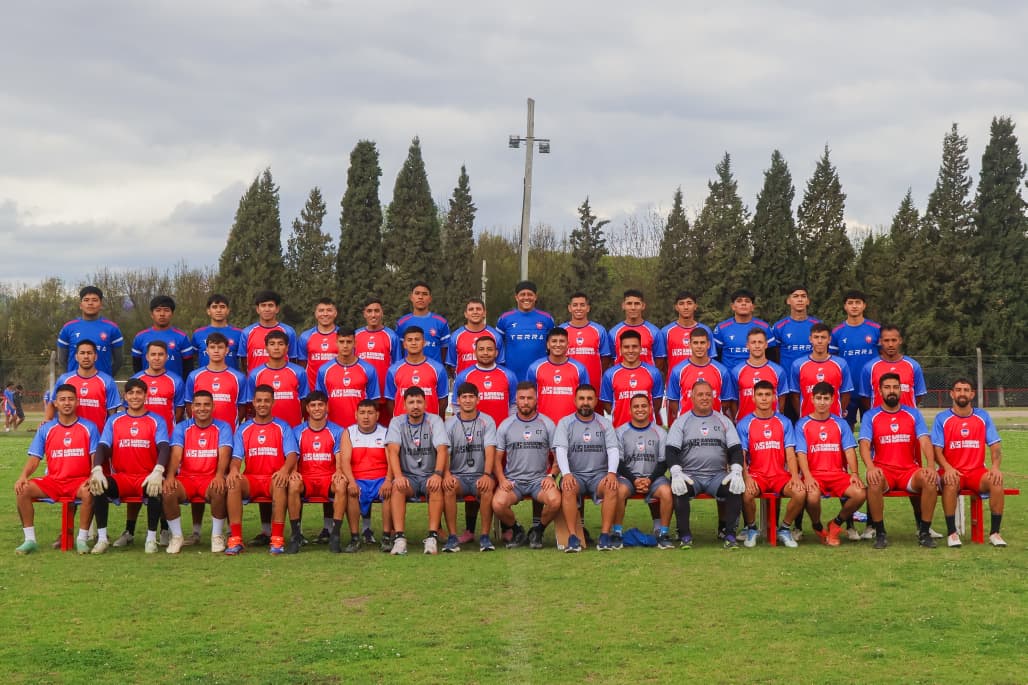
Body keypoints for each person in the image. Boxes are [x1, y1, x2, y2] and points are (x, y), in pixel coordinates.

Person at [13, 384, 98, 555]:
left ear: (77, 402)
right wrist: (23, 476)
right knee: (23, 490)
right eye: (62, 399)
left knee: (90, 490)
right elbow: (35, 458)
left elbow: (94, 458)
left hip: (79, 482)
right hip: (54, 481)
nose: (67, 403)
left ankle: (82, 539)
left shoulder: (89, 427)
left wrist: (92, 476)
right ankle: (29, 540)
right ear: (56, 403)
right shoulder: (46, 429)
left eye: (71, 399)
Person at [89, 378, 171, 554]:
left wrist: (158, 470)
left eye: (139, 393)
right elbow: (102, 445)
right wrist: (97, 469)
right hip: (122, 478)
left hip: (146, 476)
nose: (135, 396)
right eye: (131, 393)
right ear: (125, 396)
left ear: (146, 396)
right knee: (98, 487)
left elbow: (164, 446)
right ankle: (102, 539)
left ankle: (151, 539)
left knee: (157, 488)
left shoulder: (157, 420)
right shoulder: (114, 420)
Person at [858, 373, 939, 549]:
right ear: (880, 391)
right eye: (887, 387)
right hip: (884, 470)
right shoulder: (871, 416)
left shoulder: (913, 414)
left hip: (908, 470)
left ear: (901, 390)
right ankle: (880, 533)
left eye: (895, 387)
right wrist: (870, 467)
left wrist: (931, 466)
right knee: (874, 481)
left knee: (930, 480)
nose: (892, 391)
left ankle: (924, 532)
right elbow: (864, 444)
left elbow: (925, 440)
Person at [665, 380, 746, 548]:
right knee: (679, 487)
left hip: (717, 476)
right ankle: (685, 535)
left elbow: (736, 449)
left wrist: (737, 470)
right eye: (700, 394)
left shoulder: (724, 421)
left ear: (713, 397)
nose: (704, 398)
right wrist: (676, 472)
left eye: (708, 394)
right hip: (690, 475)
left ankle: (730, 535)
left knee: (735, 486)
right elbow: (671, 451)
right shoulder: (681, 422)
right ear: (692, 397)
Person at [931, 378, 1007, 547]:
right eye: (958, 390)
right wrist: (947, 468)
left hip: (976, 471)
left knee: (996, 480)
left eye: (966, 390)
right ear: (952, 394)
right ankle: (952, 533)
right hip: (951, 470)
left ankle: (995, 533)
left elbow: (995, 446)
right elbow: (936, 450)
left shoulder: (982, 416)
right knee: (951, 481)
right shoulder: (942, 418)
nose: (962, 393)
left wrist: (995, 467)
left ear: (972, 394)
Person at [224, 385, 299, 555]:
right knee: (233, 482)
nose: (262, 404)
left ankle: (277, 539)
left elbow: (291, 455)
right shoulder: (244, 428)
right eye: (259, 401)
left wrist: (284, 470)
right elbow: (236, 458)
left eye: (266, 401)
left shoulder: (283, 427)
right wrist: (234, 469)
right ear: (253, 402)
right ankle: (235, 539)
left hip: (273, 478)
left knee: (280, 482)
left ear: (273, 402)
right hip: (252, 478)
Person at [554, 384, 626, 552]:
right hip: (575, 475)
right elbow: (561, 450)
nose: (585, 402)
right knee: (567, 486)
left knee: (611, 486)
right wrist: (566, 474)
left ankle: (605, 536)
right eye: (581, 398)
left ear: (595, 401)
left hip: (598, 476)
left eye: (589, 399)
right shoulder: (565, 423)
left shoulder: (605, 423)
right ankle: (573, 537)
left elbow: (613, 450)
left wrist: (611, 473)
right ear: (575, 401)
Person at [794, 382, 867, 546]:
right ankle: (818, 526)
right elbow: (801, 453)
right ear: (812, 399)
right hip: (814, 475)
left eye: (826, 398)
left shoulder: (840, 423)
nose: (822, 402)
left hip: (837, 474)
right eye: (818, 398)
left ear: (833, 400)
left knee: (860, 493)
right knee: (812, 497)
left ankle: (836, 523)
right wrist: (807, 476)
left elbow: (849, 451)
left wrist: (855, 474)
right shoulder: (802, 424)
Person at [735, 381, 806, 548]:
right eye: (760, 395)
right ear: (753, 398)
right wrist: (747, 477)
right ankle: (752, 528)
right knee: (746, 494)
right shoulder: (745, 423)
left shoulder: (784, 422)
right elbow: (741, 455)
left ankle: (784, 529)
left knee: (800, 492)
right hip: (757, 475)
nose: (764, 398)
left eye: (768, 395)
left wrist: (795, 476)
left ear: (774, 397)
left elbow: (790, 453)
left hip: (779, 475)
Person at [161, 390, 233, 553]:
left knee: (219, 488)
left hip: (210, 478)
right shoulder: (182, 427)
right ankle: (177, 537)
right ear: (192, 407)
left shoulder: (223, 427)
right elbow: (176, 454)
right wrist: (170, 476)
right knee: (168, 490)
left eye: (207, 404)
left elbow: (224, 454)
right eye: (198, 405)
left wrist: (219, 475)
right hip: (187, 478)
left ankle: (217, 536)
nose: (202, 408)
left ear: (213, 407)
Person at [491, 382, 560, 549]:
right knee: (498, 504)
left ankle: (538, 530)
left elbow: (558, 456)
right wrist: (502, 479)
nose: (526, 402)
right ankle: (517, 530)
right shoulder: (506, 425)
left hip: (539, 481)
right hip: (514, 481)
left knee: (555, 500)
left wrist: (551, 476)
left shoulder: (547, 424)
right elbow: (496, 458)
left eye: (530, 398)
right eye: (522, 398)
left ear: (536, 400)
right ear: (516, 400)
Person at [384, 387, 450, 555]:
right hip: (409, 477)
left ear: (425, 404)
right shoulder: (396, 422)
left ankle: (432, 537)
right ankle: (399, 538)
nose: (415, 406)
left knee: (435, 486)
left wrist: (438, 474)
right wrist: (398, 476)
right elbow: (392, 451)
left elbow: (442, 449)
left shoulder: (435, 421)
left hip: (429, 475)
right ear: (404, 405)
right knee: (397, 487)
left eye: (419, 402)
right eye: (411, 402)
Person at [285, 391, 346, 554]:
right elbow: (294, 455)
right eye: (313, 405)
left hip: (328, 477)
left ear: (327, 407)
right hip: (306, 478)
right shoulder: (297, 431)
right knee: (293, 484)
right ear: (307, 408)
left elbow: (339, 456)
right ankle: (296, 535)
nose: (317, 408)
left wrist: (339, 470)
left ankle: (335, 535)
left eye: (320, 405)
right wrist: (294, 472)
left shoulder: (338, 431)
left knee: (341, 484)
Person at [443, 383, 499, 552]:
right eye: (464, 397)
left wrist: (487, 475)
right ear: (458, 400)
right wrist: (446, 474)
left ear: (478, 399)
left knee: (487, 488)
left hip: (479, 475)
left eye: (471, 397)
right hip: (458, 476)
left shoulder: (487, 421)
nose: (468, 400)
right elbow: (444, 452)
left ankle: (485, 537)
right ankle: (452, 537)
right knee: (448, 487)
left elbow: (490, 450)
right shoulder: (450, 424)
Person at [615, 394, 674, 549]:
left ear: (650, 409)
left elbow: (663, 462)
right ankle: (617, 533)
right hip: (628, 478)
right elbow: (618, 463)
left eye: (643, 406)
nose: (640, 409)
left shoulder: (660, 432)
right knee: (618, 491)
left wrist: (649, 479)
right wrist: (634, 480)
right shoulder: (620, 432)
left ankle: (663, 533)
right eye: (636, 406)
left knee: (667, 492)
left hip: (654, 478)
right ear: (630, 410)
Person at [337, 399, 393, 552]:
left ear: (377, 415)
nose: (366, 417)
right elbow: (345, 461)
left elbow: (392, 461)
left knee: (390, 491)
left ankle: (386, 537)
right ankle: (355, 538)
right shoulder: (349, 433)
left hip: (380, 479)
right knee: (351, 492)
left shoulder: (385, 432)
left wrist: (388, 480)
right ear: (356, 415)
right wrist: (351, 482)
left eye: (370, 413)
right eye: (362, 413)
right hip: (358, 479)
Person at [830, 289, 881, 429]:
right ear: (845, 306)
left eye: (858, 302)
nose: (854, 306)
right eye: (850, 303)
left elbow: (883, 358)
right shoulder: (837, 332)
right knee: (845, 429)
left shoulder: (876, 329)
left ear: (864, 306)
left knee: (873, 429)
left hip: (871, 390)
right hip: (847, 391)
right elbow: (832, 363)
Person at [315, 327, 381, 428]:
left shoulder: (368, 369)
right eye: (341, 342)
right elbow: (320, 401)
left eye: (349, 342)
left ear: (355, 343)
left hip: (360, 429)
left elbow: (374, 401)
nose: (345, 346)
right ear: (336, 343)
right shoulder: (324, 370)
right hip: (333, 428)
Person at [242, 330, 309, 428]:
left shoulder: (299, 372)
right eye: (272, 344)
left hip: (293, 428)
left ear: (287, 348)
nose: (276, 348)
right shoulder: (255, 374)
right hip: (266, 429)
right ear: (266, 348)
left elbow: (304, 400)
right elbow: (251, 404)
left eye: (280, 344)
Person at [665, 328, 734, 420]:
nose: (699, 346)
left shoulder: (722, 371)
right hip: (687, 423)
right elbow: (673, 401)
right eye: (695, 343)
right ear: (689, 345)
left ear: (708, 344)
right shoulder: (678, 371)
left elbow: (726, 402)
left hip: (714, 422)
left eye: (702, 343)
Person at [53, 339, 121, 431]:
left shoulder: (107, 381)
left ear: (95, 357)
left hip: (99, 436)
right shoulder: (64, 379)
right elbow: (53, 403)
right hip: (70, 436)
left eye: (89, 353)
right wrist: (47, 419)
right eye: (82, 353)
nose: (86, 356)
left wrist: (109, 436)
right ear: (76, 357)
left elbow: (112, 414)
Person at [600, 330, 664, 428]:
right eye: (626, 347)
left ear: (640, 348)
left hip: (648, 430)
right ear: (620, 349)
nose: (630, 350)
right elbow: (608, 406)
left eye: (634, 346)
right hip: (620, 430)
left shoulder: (653, 372)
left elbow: (657, 404)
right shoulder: (610, 375)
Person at [788, 322, 853, 418]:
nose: (819, 341)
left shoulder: (841, 364)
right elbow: (795, 395)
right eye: (816, 337)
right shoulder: (798, 365)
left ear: (829, 339)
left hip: (833, 420)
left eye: (823, 337)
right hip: (807, 420)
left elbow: (846, 393)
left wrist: (838, 414)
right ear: (810, 339)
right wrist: (802, 416)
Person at [527, 327, 590, 424]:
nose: (558, 344)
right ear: (548, 345)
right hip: (543, 424)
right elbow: (529, 397)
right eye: (554, 341)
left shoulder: (579, 369)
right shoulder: (535, 368)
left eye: (562, 341)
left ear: (568, 344)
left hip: (572, 424)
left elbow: (585, 398)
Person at [57, 285, 124, 376]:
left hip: (101, 382)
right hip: (74, 383)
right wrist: (70, 377)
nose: (90, 303)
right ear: (80, 305)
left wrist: (106, 378)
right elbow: (62, 360)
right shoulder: (68, 328)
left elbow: (119, 361)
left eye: (94, 300)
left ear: (101, 304)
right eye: (86, 300)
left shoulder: (112, 328)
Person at [451, 336, 517, 429]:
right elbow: (456, 405)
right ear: (475, 352)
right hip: (473, 432)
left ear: (496, 353)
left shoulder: (509, 375)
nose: (485, 353)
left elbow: (514, 404)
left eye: (489, 349)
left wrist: (507, 426)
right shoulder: (463, 376)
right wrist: (466, 425)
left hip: (501, 431)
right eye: (481, 349)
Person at [184, 332, 247, 427]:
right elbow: (189, 404)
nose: (216, 351)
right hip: (201, 431)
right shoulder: (194, 376)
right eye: (212, 347)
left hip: (229, 432)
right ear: (207, 350)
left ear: (227, 350)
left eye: (220, 347)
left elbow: (242, 407)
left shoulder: (239, 378)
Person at [383, 326, 448, 418]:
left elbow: (443, 400)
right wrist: (397, 421)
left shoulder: (438, 369)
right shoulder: (393, 370)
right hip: (402, 425)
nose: (413, 343)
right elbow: (390, 401)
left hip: (430, 424)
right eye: (409, 340)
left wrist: (436, 422)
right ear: (404, 344)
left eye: (417, 339)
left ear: (424, 343)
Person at [496, 280, 554, 382]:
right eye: (522, 294)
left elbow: (554, 346)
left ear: (535, 297)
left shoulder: (547, 318)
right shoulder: (505, 319)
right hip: (512, 376)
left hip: (540, 375)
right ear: (516, 297)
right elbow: (497, 346)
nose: (526, 297)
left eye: (530, 294)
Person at [858, 325, 927, 411]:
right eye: (886, 340)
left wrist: (905, 411)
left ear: (900, 340)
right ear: (880, 341)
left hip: (906, 417)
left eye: (894, 340)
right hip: (880, 417)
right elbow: (865, 398)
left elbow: (918, 395)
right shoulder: (869, 367)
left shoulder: (913, 366)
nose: (890, 344)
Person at [771, 286, 821, 405]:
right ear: (788, 301)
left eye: (803, 296)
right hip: (787, 383)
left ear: (808, 301)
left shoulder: (817, 325)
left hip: (812, 382)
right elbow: (775, 355)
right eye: (795, 296)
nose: (800, 299)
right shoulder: (779, 327)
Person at [725, 327, 788, 421]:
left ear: (766, 345)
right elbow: (733, 400)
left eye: (760, 342)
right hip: (745, 424)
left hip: (771, 423)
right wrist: (737, 420)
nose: (757, 346)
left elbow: (781, 399)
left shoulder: (778, 370)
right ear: (747, 345)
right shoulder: (737, 371)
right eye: (753, 342)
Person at [131, 295, 196, 378]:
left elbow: (188, 367)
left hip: (174, 385)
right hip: (147, 385)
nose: (162, 314)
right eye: (158, 310)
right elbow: (136, 366)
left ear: (172, 314)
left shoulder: (182, 337)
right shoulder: (140, 337)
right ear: (151, 314)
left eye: (166, 310)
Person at [237, 290, 300, 374]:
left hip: (283, 379)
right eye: (263, 305)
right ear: (257, 309)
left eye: (270, 305)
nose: (267, 309)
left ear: (277, 309)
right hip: (256, 381)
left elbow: (293, 359)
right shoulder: (247, 332)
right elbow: (244, 361)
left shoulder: (288, 331)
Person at [355, 297, 403, 406]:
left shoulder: (392, 336)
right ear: (364, 314)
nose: (373, 315)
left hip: (384, 394)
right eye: (369, 311)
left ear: (382, 313)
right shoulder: (356, 335)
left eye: (376, 311)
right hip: (361, 393)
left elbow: (398, 367)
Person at [608, 289, 667, 376]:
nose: (633, 307)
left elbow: (660, 360)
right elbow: (612, 359)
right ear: (623, 306)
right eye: (629, 304)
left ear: (643, 306)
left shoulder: (654, 332)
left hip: (646, 380)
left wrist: (649, 376)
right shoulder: (613, 333)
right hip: (622, 379)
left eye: (637, 304)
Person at [714, 289, 775, 371]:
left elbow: (772, 355)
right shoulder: (721, 328)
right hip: (730, 376)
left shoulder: (764, 327)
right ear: (733, 306)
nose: (743, 303)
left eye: (747, 301)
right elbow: (716, 357)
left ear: (753, 307)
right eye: (739, 301)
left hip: (756, 375)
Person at [131, 340, 185, 433]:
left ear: (166, 357)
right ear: (147, 357)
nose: (157, 358)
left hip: (167, 435)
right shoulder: (135, 379)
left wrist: (168, 430)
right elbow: (129, 408)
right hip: (141, 434)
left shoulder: (176, 381)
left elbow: (179, 411)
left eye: (160, 354)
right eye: (153, 354)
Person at [563, 291, 613, 387]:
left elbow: (605, 358)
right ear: (569, 308)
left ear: (588, 308)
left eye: (582, 305)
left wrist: (599, 376)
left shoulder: (599, 330)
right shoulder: (562, 330)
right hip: (568, 382)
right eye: (575, 305)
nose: (578, 308)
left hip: (593, 382)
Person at [661, 290, 716, 372]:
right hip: (676, 378)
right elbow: (662, 360)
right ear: (676, 307)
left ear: (695, 306)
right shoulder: (666, 331)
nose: (686, 307)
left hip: (701, 378)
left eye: (689, 303)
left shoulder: (706, 330)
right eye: (681, 303)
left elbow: (711, 358)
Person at [395, 282, 451, 363]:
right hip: (409, 369)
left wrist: (437, 366)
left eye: (425, 294)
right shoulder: (402, 323)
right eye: (417, 293)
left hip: (434, 369)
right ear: (411, 297)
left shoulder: (441, 322)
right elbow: (399, 350)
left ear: (430, 299)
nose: (420, 297)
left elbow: (445, 350)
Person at [446, 297, 503, 375]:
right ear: (466, 314)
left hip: (489, 381)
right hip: (464, 382)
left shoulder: (495, 336)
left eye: (478, 309)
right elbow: (452, 366)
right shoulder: (455, 336)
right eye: (471, 309)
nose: (475, 312)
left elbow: (500, 364)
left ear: (484, 313)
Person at [297, 298, 339, 390]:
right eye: (321, 310)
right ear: (316, 314)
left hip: (337, 389)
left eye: (329, 310)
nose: (325, 314)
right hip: (313, 390)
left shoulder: (343, 336)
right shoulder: (305, 336)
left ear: (335, 313)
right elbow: (302, 366)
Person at [191, 294, 243, 368]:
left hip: (230, 375)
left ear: (228, 310)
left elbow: (244, 359)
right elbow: (191, 359)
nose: (218, 310)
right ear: (208, 311)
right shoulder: (198, 334)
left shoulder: (239, 334)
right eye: (214, 307)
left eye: (222, 307)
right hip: (205, 375)